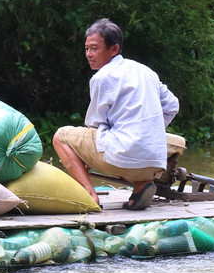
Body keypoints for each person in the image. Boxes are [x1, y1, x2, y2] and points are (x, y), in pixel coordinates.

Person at [52, 18, 180, 210]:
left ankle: (89, 195)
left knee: (60, 137)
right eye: (86, 49)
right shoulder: (145, 71)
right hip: (155, 163)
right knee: (127, 141)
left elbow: (94, 123)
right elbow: (172, 105)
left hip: (125, 158)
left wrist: (84, 158)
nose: (88, 54)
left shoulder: (102, 77)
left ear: (113, 49)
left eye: (94, 48)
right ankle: (141, 186)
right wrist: (150, 130)